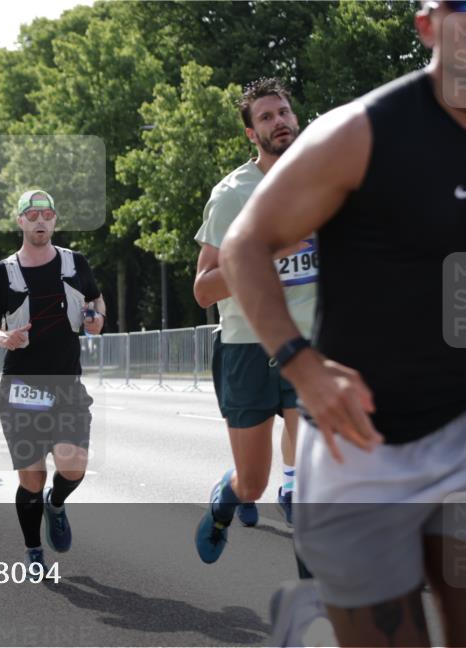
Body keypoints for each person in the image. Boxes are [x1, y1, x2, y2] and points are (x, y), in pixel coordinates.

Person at [221, 2, 466, 648]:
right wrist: (300, 363)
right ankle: (317, 645)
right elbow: (245, 245)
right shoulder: (361, 133)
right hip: (365, 445)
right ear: (428, 25)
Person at [191, 77, 312, 564]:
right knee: (252, 479)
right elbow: (203, 289)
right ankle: (226, 501)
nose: (277, 121)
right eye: (265, 117)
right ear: (251, 134)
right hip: (247, 346)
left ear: (295, 118)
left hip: (310, 345)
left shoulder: (325, 179)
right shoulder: (232, 194)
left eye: (282, 112)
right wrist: (270, 250)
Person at [0, 190, 105, 572]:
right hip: (22, 386)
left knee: (72, 465)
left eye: (46, 214)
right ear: (20, 221)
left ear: (54, 220)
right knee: (31, 477)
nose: (39, 221)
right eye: (31, 215)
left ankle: (57, 503)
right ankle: (34, 549)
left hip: (66, 382)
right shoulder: (3, 272)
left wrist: (97, 319)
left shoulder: (74, 262)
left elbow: (96, 302)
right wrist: (1, 337)